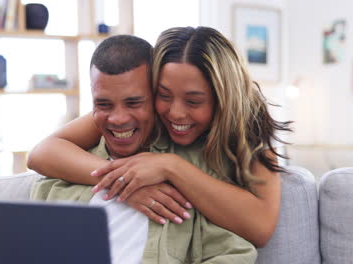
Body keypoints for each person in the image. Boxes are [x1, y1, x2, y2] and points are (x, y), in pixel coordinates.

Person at [28, 26, 291, 247]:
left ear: (223, 100)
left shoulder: (250, 132)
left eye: (193, 101)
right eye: (164, 95)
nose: (175, 113)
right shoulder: (137, 113)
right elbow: (42, 153)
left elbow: (260, 227)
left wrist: (171, 166)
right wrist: (123, 184)